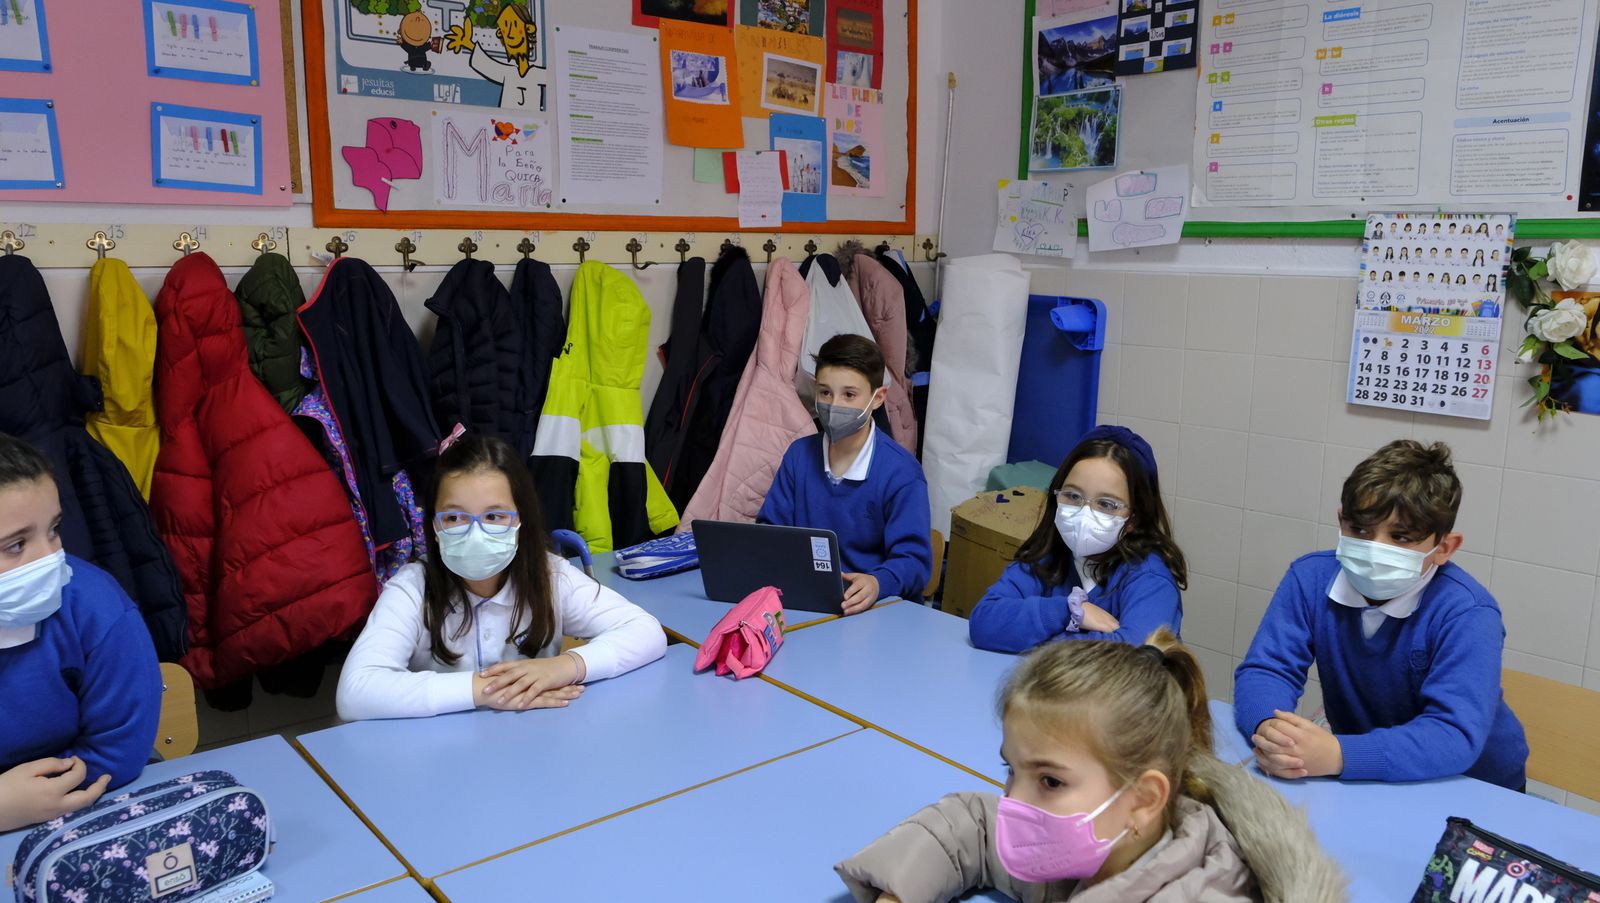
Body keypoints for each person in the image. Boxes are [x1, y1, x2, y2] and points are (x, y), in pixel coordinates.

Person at [834, 631, 1347, 903]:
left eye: (1050, 781)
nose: (1014, 801)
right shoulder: (1099, 843)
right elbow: (968, 825)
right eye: (1011, 770)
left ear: (1144, 800)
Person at [1234, 440, 1529, 790]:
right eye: (1360, 531)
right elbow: (1267, 669)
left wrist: (1341, 754)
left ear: (1444, 548)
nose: (1376, 549)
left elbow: (1452, 733)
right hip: (1364, 771)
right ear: (1341, 520)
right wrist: (1270, 728)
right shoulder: (1310, 578)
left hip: (1472, 783)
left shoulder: (1467, 613)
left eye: (1401, 537)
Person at [337, 434, 666, 720]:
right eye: (454, 517)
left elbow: (646, 632)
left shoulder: (550, 576)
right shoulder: (412, 589)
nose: (476, 532)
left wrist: (566, 667)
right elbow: (356, 691)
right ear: (435, 528)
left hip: (537, 739)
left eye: (494, 515)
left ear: (520, 520)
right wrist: (487, 690)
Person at [0, 433, 161, 831]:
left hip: (90, 797)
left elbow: (119, 748)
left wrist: (30, 800)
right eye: (16, 545)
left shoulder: (95, 605)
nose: (50, 557)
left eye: (53, 529)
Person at [968, 426, 1185, 653]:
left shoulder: (1150, 577)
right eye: (1073, 496)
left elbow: (1132, 660)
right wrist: (1068, 611)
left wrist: (1034, 640)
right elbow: (984, 622)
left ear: (1133, 520)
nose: (1084, 513)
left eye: (1106, 504)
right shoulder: (1047, 556)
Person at [759, 334, 932, 613]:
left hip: (876, 611)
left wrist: (878, 582)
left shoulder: (902, 473)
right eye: (825, 392)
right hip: (806, 604)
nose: (834, 404)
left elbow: (915, 562)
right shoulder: (799, 455)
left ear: (878, 398)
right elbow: (770, 532)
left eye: (849, 394)